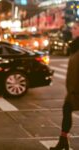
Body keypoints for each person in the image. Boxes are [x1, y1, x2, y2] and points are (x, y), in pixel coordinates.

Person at [50, 22, 79, 150]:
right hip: (73, 90)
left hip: (77, 90)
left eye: (76, 28)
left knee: (67, 110)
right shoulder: (75, 47)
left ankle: (63, 141)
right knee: (66, 110)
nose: (72, 30)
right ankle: (63, 141)